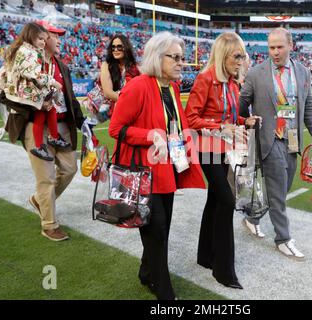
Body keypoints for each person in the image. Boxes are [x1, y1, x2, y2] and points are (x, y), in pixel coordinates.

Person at [108, 32, 205, 300]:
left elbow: (176, 125)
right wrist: (149, 134)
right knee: (157, 228)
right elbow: (116, 128)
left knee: (161, 226)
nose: (180, 63)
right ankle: (164, 289)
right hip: (142, 171)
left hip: (167, 168)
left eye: (181, 58)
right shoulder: (138, 85)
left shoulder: (172, 88)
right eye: (174, 57)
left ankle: (146, 272)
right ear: (156, 57)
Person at [239, 28, 312, 260]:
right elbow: (240, 105)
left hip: (293, 139)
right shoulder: (256, 73)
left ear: (291, 46)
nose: (275, 52)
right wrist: (244, 124)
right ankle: (283, 238)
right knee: (278, 191)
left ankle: (252, 217)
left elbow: (308, 107)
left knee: (283, 187)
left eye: (279, 47)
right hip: (269, 140)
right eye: (271, 47)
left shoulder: (303, 72)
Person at [185, 32, 259, 289]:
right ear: (223, 55)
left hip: (225, 149)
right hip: (207, 149)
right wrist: (220, 127)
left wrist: (244, 122)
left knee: (215, 200)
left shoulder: (231, 82)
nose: (241, 60)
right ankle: (223, 270)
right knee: (226, 200)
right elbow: (190, 119)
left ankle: (205, 256)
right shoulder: (205, 79)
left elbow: (230, 117)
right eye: (237, 55)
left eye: (243, 55)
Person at [1, 20, 86, 241]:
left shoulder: (61, 65)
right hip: (35, 125)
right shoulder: (25, 58)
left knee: (69, 169)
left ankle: (40, 201)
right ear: (44, 38)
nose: (59, 40)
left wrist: (81, 121)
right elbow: (6, 93)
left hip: (62, 126)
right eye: (55, 35)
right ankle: (49, 224)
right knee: (46, 177)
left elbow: (70, 98)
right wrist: (35, 105)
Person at [100, 34, 140, 104]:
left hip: (127, 109)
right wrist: (131, 102)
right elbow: (108, 93)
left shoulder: (135, 67)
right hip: (109, 109)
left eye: (119, 47)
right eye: (113, 47)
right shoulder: (106, 65)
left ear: (126, 47)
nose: (115, 50)